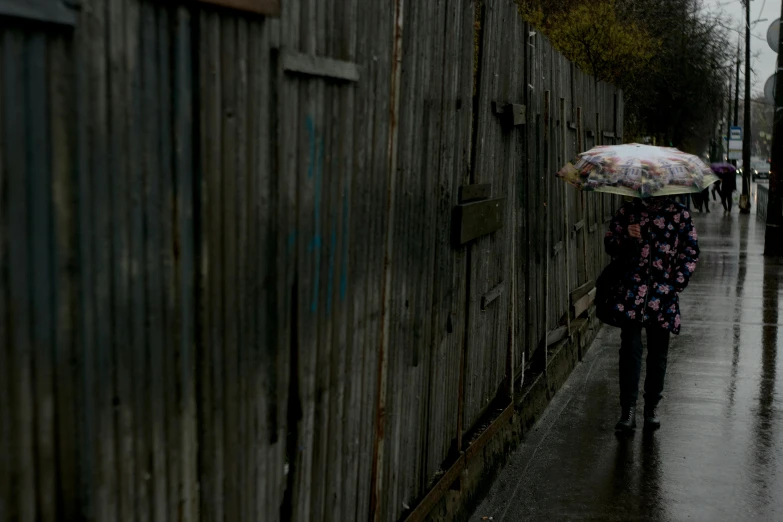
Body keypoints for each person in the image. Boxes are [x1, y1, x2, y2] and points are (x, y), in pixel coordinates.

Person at [604, 197, 700, 433]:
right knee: (630, 350)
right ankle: (627, 411)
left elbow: (691, 252)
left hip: (663, 294)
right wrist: (626, 237)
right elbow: (610, 244)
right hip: (631, 291)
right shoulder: (629, 211)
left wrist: (676, 282)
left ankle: (651, 408)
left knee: (658, 354)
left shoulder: (679, 214)